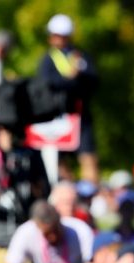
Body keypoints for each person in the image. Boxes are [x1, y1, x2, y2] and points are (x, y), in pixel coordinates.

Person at [37, 15, 99, 183]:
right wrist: (70, 79)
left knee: (88, 157)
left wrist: (77, 77)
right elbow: (45, 84)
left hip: (80, 116)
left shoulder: (80, 57)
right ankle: (66, 190)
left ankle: (90, 195)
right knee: (59, 160)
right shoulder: (48, 60)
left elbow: (93, 81)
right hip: (57, 117)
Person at [3, 201, 85, 263]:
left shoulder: (76, 232)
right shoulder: (26, 232)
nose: (53, 237)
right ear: (37, 226)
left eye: (56, 230)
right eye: (48, 233)